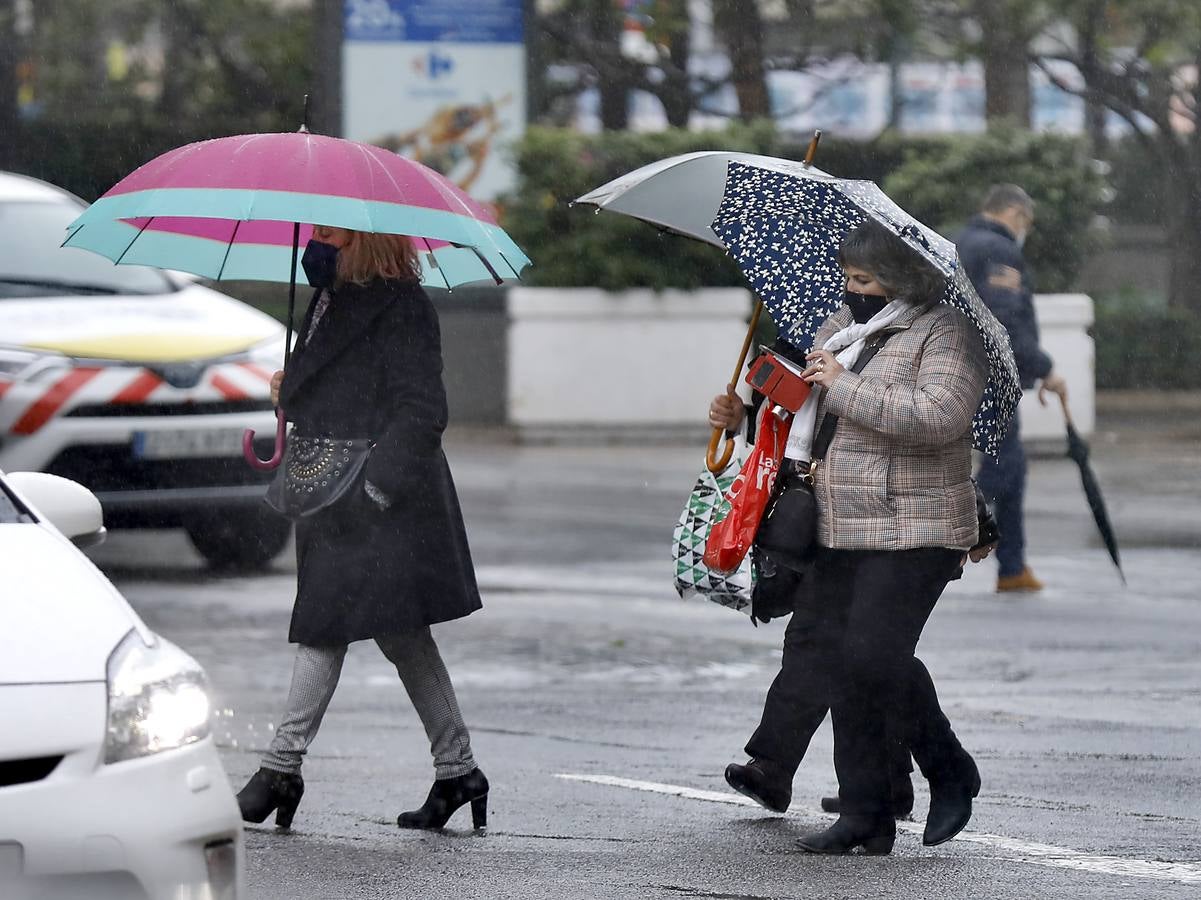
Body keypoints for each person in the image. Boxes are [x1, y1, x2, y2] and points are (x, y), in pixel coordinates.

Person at [710, 222, 990, 854]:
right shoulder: (843, 330)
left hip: (916, 527)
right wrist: (749, 415)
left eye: (863, 280)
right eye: (847, 277)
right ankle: (865, 813)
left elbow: (939, 419)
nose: (850, 290)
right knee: (843, 660)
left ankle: (949, 770)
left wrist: (843, 382)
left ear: (904, 278)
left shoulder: (945, 332)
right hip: (838, 525)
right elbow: (811, 420)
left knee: (871, 657)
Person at [235, 225, 489, 833]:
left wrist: (376, 487)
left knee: (323, 626)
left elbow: (423, 410)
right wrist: (292, 387)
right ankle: (458, 772)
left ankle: (280, 770)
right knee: (400, 634)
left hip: (378, 500)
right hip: (329, 491)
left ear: (367, 239)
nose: (319, 239)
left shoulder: (402, 306)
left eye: (332, 231)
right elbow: (337, 386)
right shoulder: (328, 297)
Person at [956, 184, 1068, 593]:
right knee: (1005, 469)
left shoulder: (959, 242)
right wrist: (1043, 368)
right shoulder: (999, 250)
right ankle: (951, 535)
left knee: (1009, 469)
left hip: (960, 370)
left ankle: (1013, 566)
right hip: (991, 375)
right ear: (1017, 214)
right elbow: (1005, 321)